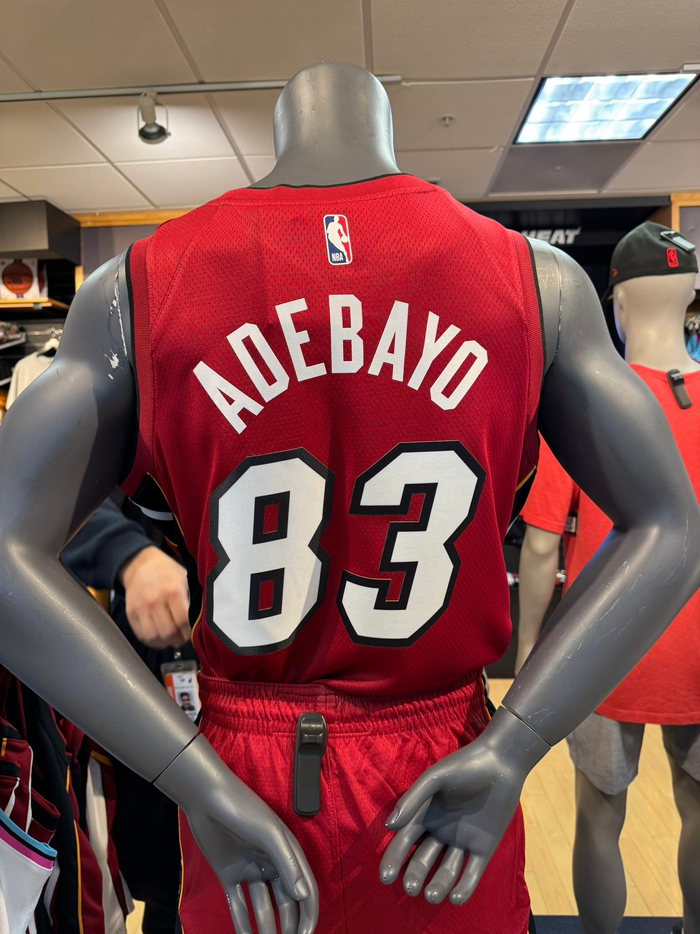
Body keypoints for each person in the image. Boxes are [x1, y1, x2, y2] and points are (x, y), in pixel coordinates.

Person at [0, 64, 700, 934]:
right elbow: (673, 528)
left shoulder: (137, 288)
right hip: (448, 776)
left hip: (244, 781)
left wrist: (191, 777)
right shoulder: (537, 281)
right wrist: (517, 742)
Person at [518, 222, 700, 934]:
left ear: (617, 304)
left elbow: (540, 546)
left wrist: (531, 650)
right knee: (697, 808)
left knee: (599, 814)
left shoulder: (588, 402)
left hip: (603, 643)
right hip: (697, 647)